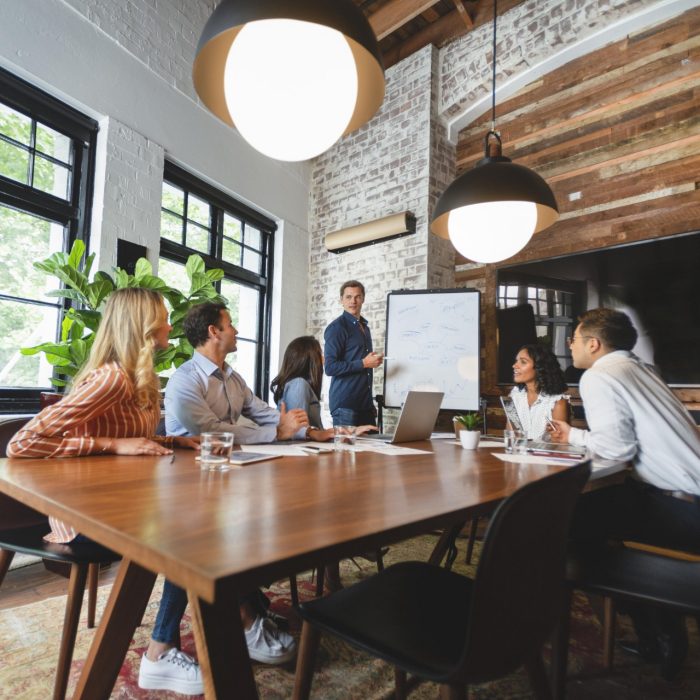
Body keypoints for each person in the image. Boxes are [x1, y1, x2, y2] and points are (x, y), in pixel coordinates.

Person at [7, 289, 205, 695]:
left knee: (202, 520)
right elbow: (21, 445)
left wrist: (171, 443)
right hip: (83, 516)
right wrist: (109, 446)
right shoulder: (111, 378)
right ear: (144, 325)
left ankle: (244, 619)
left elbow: (131, 440)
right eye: (164, 317)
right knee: (195, 534)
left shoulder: (140, 378)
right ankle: (160, 653)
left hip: (121, 504)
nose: (170, 324)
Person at [149, 302, 305, 688]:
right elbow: (206, 429)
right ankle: (245, 616)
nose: (235, 329)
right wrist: (277, 433)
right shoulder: (185, 379)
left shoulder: (233, 378)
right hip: (182, 483)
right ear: (214, 332)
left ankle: (249, 608)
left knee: (257, 519)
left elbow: (261, 412)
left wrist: (300, 430)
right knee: (202, 538)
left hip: (227, 473)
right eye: (230, 324)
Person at [548, 308, 700, 679]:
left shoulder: (599, 376)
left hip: (679, 506)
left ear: (594, 344)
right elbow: (626, 440)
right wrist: (576, 436)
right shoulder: (642, 370)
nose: (570, 345)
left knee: (563, 521)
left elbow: (616, 452)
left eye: (574, 339)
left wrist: (563, 457)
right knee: (590, 518)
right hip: (678, 496)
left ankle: (658, 621)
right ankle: (655, 624)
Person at [324, 280, 382, 427]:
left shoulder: (365, 327)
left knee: (371, 450)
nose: (353, 301)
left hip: (365, 406)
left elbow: (363, 371)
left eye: (357, 297)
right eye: (348, 297)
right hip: (345, 406)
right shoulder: (336, 328)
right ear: (341, 300)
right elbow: (330, 367)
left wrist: (369, 402)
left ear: (363, 299)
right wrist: (363, 363)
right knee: (345, 450)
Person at [510, 343, 569, 440]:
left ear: (539, 367)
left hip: (544, 454)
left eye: (523, 362)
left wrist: (549, 435)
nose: (514, 365)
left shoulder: (557, 401)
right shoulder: (515, 394)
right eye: (516, 361)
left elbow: (558, 443)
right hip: (519, 453)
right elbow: (511, 434)